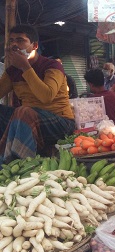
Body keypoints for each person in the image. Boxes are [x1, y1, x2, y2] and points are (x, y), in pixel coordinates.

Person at [0, 25, 75, 163]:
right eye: (11, 41)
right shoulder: (12, 71)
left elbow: (46, 96)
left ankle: (20, 164)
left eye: (20, 40)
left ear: (34, 46)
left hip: (61, 122)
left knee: (24, 112)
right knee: (19, 112)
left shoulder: (52, 65)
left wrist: (25, 67)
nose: (14, 45)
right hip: (27, 119)